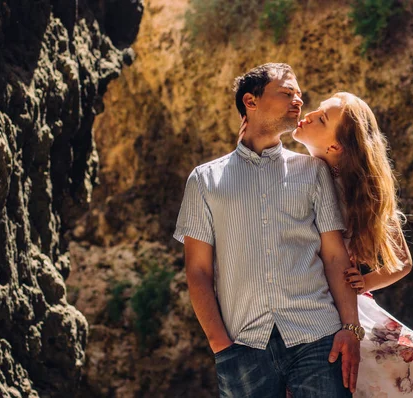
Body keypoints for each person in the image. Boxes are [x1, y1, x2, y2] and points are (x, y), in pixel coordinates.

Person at [241, 91, 413, 397]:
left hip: (347, 312)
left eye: (321, 118)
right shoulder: (288, 170)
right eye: (319, 110)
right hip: (293, 308)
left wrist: (363, 282)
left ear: (334, 146)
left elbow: (402, 261)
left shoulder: (357, 193)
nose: (308, 115)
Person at [173, 63, 362, 398]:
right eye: (287, 93)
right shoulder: (204, 180)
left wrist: (350, 328)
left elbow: (335, 256)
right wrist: (220, 345)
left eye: (300, 96)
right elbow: (197, 270)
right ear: (251, 101)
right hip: (243, 346)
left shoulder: (312, 171)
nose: (298, 101)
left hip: (318, 338)